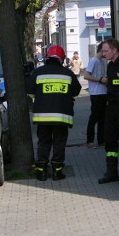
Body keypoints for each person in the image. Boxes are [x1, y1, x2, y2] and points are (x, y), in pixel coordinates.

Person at [26, 44, 81, 181]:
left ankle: (41, 172)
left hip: (42, 116)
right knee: (59, 142)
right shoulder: (67, 73)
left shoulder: (38, 73)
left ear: (47, 58)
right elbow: (76, 90)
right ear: (62, 59)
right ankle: (57, 172)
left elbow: (30, 90)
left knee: (43, 142)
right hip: (62, 116)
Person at [97, 38, 119, 184]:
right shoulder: (110, 66)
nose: (103, 54)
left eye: (105, 51)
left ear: (114, 50)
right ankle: (111, 172)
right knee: (110, 140)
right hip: (111, 107)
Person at [83, 43, 107, 148]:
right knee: (94, 117)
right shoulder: (94, 61)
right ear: (102, 50)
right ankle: (90, 141)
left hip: (104, 92)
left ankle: (101, 140)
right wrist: (100, 80)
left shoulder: (104, 61)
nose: (107, 53)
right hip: (96, 93)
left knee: (103, 118)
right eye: (106, 51)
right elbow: (86, 76)